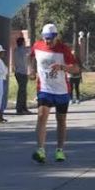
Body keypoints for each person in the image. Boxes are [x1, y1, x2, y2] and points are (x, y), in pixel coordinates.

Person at [29, 24, 79, 163]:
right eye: (45, 38)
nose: (47, 41)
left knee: (61, 120)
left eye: (50, 39)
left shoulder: (64, 49)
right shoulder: (37, 45)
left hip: (62, 91)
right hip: (44, 89)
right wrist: (31, 70)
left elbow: (76, 69)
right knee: (41, 116)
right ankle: (40, 150)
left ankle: (60, 150)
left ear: (56, 37)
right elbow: (31, 57)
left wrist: (62, 67)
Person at [13, 36, 31, 114]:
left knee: (22, 91)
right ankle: (20, 108)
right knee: (22, 91)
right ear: (23, 42)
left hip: (18, 72)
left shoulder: (16, 50)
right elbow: (30, 50)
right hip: (22, 72)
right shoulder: (23, 50)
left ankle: (23, 107)